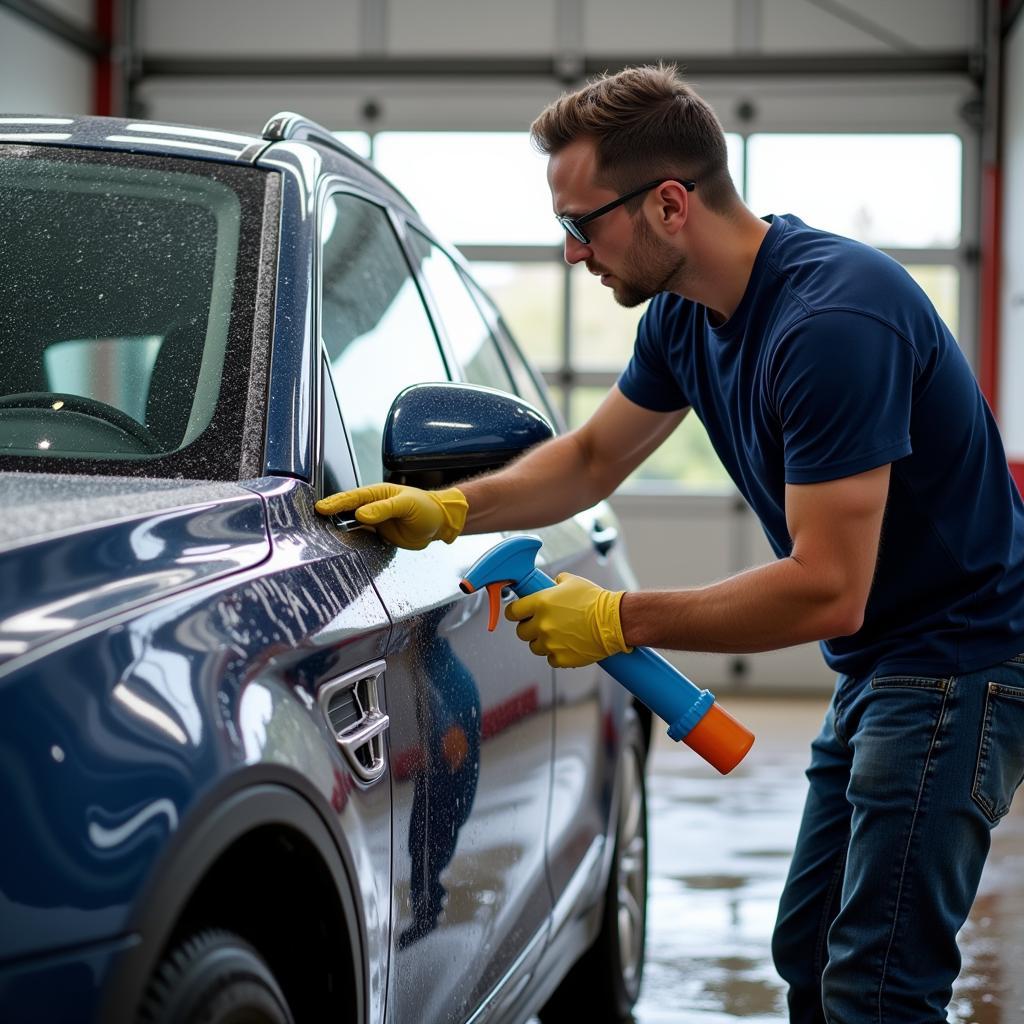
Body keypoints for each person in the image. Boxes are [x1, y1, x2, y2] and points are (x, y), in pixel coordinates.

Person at [316, 64, 1024, 1022]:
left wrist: (613, 618)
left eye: (581, 224)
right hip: (883, 662)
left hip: (958, 660)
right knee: (810, 950)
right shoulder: (687, 319)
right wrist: (447, 511)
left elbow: (828, 588)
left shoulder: (832, 324)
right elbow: (592, 457)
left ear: (669, 204)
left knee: (881, 978)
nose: (572, 253)